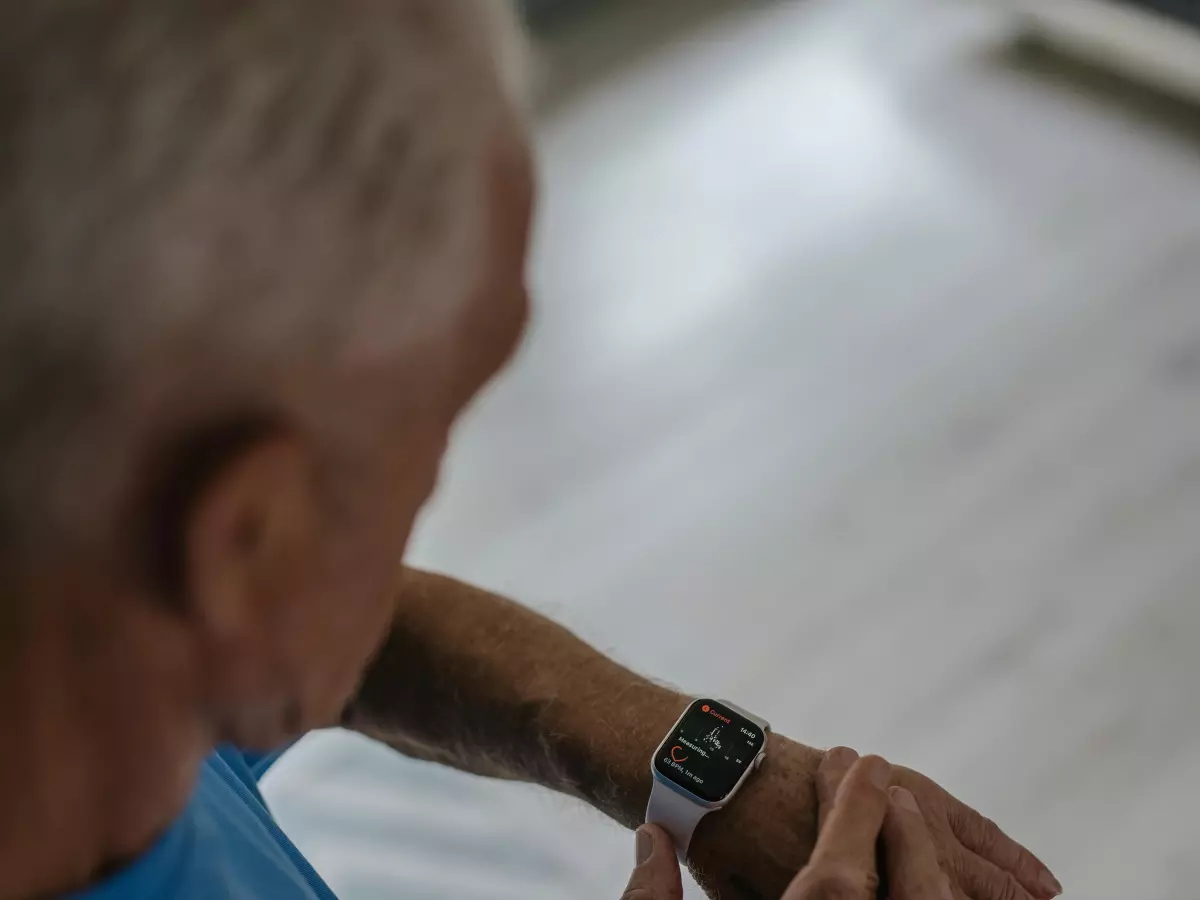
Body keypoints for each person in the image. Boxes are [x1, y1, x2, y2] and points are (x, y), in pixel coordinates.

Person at [0, 2, 1063, 900]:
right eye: (443, 410)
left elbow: (341, 621)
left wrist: (695, 770)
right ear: (246, 544)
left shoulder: (87, 597)